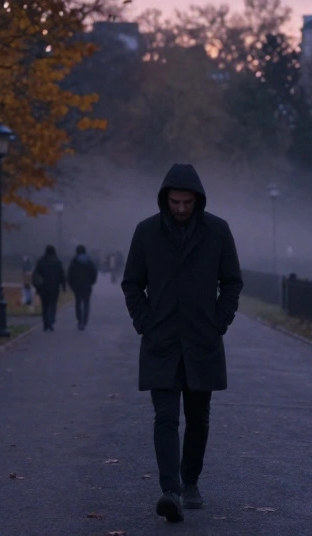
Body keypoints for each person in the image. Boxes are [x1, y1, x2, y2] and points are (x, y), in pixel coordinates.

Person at [121, 163, 242, 523]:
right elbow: (132, 283)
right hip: (162, 340)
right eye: (175, 202)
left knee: (199, 418)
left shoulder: (217, 232)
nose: (181, 208)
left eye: (187, 202)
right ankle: (170, 490)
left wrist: (218, 322)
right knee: (165, 417)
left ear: (197, 200)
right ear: (165, 199)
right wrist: (145, 323)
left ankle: (190, 482)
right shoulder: (146, 233)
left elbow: (232, 281)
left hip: (201, 341)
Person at [31, 245, 66, 332]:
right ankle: (51, 320)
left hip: (43, 286)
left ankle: (46, 323)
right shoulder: (57, 262)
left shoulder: (41, 261)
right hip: (54, 287)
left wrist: (37, 285)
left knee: (45, 305)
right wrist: (64, 286)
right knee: (52, 304)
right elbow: (62, 275)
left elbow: (35, 274)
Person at [67, 245, 99, 330]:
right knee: (86, 303)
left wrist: (71, 284)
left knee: (78, 303)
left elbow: (70, 274)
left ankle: (79, 320)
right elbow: (94, 272)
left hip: (77, 286)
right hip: (87, 285)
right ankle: (84, 321)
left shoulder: (74, 262)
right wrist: (91, 282)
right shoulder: (89, 261)